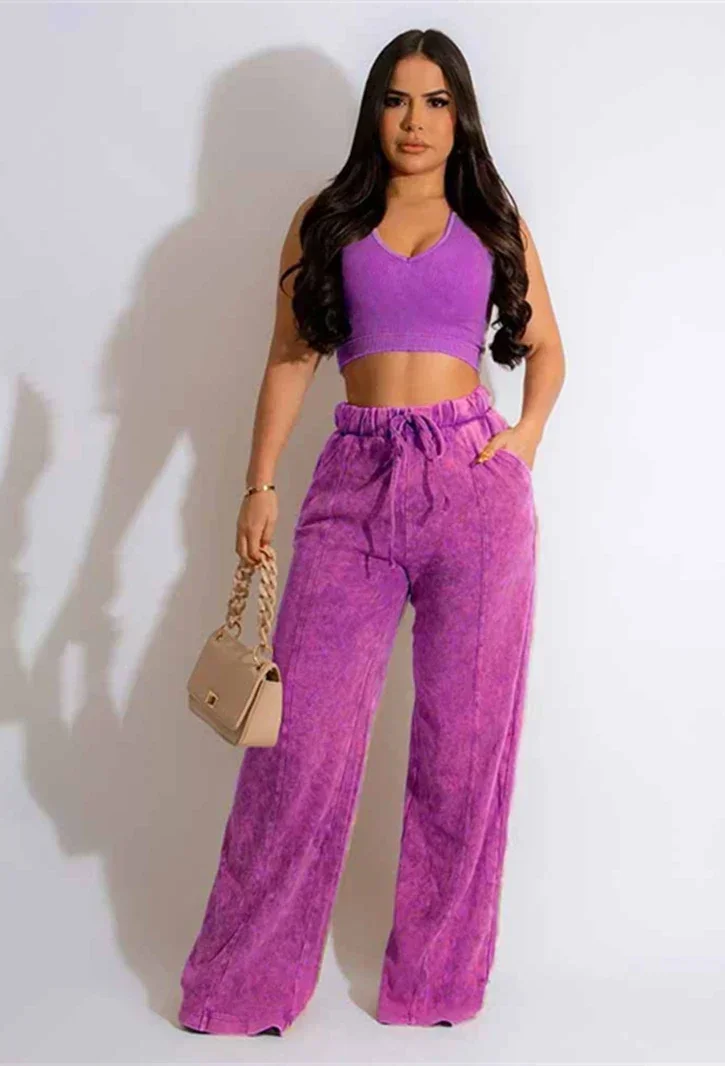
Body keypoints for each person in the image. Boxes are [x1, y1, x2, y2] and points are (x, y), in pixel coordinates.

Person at [178, 26, 565, 1037]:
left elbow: (547, 350)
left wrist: (521, 441)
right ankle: (242, 988)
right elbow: (289, 357)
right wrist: (258, 485)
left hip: (473, 487)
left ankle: (434, 987)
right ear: (373, 111)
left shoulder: (490, 219)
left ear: (460, 116)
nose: (414, 121)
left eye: (436, 102)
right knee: (299, 745)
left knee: (462, 750)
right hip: (353, 483)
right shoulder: (327, 220)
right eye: (396, 99)